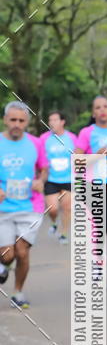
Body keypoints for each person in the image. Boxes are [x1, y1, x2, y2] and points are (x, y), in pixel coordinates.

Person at [0, 102, 48, 307]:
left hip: (30, 207)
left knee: (22, 251)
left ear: (27, 122)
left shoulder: (36, 143)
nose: (17, 124)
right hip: (3, 209)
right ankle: (3, 266)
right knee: (7, 254)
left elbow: (44, 168)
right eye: (13, 120)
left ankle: (18, 293)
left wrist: (40, 181)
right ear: (5, 120)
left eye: (21, 120)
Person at [77, 96, 107, 289]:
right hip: (92, 186)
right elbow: (78, 161)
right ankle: (97, 267)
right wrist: (96, 155)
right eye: (98, 107)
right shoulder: (86, 133)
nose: (102, 110)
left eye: (106, 106)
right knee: (97, 228)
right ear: (93, 113)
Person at [39, 111, 79, 244]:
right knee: (53, 208)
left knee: (67, 208)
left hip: (68, 178)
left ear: (62, 122)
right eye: (50, 120)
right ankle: (54, 222)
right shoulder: (44, 139)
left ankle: (63, 234)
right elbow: (40, 158)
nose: (51, 123)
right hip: (51, 179)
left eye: (55, 120)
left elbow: (78, 155)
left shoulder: (72, 138)